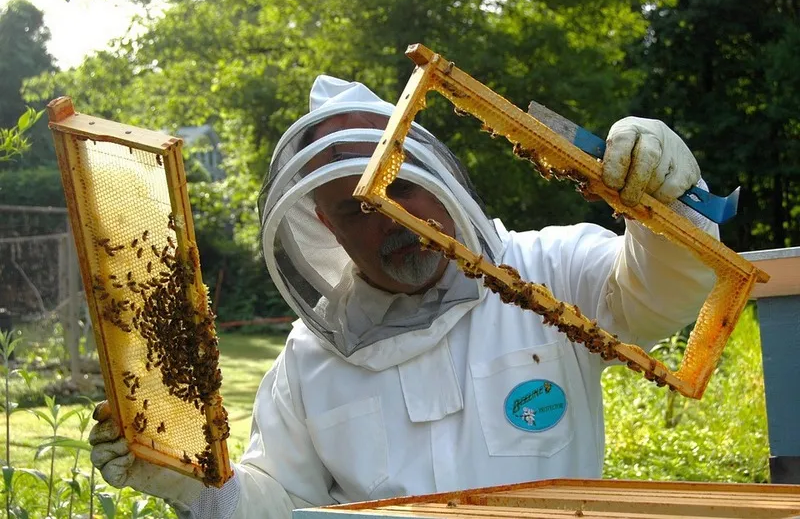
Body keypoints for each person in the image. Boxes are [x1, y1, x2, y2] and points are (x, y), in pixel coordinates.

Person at [89, 75, 718, 518]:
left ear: (432, 173)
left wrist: (666, 210)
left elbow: (660, 294)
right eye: (358, 209)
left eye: (399, 189)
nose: (390, 220)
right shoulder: (309, 364)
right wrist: (199, 486)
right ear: (326, 226)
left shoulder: (547, 269)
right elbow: (280, 504)